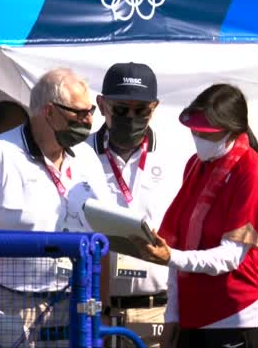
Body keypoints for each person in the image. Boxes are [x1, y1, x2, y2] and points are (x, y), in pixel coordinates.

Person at [0, 68, 112, 346]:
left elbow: (104, 233)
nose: (89, 120)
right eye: (79, 113)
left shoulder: (86, 157)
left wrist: (101, 306)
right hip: (1, 302)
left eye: (90, 111)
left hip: (68, 303)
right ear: (49, 112)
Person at [134, 84, 258, 348]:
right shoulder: (195, 165)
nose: (198, 136)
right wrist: (173, 316)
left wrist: (172, 256)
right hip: (196, 316)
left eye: (207, 132)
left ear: (232, 130)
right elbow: (177, 245)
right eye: (195, 130)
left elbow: (231, 256)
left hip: (241, 316)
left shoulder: (253, 174)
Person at [88, 62, 171, 347]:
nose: (131, 118)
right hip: (94, 310)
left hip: (156, 312)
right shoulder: (77, 156)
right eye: (122, 109)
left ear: (155, 107)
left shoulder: (175, 158)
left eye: (141, 110)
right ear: (102, 104)